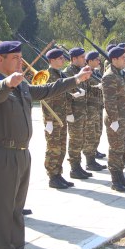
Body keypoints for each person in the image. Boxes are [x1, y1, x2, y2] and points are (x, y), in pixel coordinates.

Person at [0, 41, 91, 249]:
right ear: (0, 60)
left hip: (21, 152)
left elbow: (46, 90)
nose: (21, 61)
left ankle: (17, 248)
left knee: (17, 208)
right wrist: (7, 84)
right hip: (1, 153)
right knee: (2, 210)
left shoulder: (20, 83)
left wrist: (76, 79)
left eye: (21, 57)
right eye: (15, 58)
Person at [102, 46, 125, 192]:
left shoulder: (120, 74)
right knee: (116, 149)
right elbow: (109, 100)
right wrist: (114, 119)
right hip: (115, 119)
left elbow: (121, 93)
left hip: (124, 117)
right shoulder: (109, 76)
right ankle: (115, 180)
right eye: (122, 57)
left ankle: (121, 175)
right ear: (114, 59)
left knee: (124, 147)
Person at [42, 48, 76, 189]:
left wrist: (68, 112)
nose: (63, 60)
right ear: (52, 60)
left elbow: (65, 97)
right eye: (60, 58)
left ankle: (58, 173)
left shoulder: (60, 74)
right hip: (53, 118)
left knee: (61, 147)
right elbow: (45, 99)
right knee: (53, 148)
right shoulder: (47, 76)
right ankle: (52, 176)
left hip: (61, 117)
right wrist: (48, 120)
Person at [63, 47, 94, 178]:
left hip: (83, 111)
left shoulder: (80, 71)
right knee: (75, 140)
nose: (84, 59)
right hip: (74, 113)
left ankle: (78, 166)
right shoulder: (68, 72)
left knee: (81, 139)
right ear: (74, 59)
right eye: (82, 57)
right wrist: (69, 112)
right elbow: (65, 94)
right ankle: (74, 168)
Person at [84, 51, 106, 170]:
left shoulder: (96, 73)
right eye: (96, 59)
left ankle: (93, 157)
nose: (99, 61)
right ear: (90, 61)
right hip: (89, 109)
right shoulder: (85, 73)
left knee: (98, 133)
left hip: (98, 108)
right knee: (90, 135)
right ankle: (89, 161)